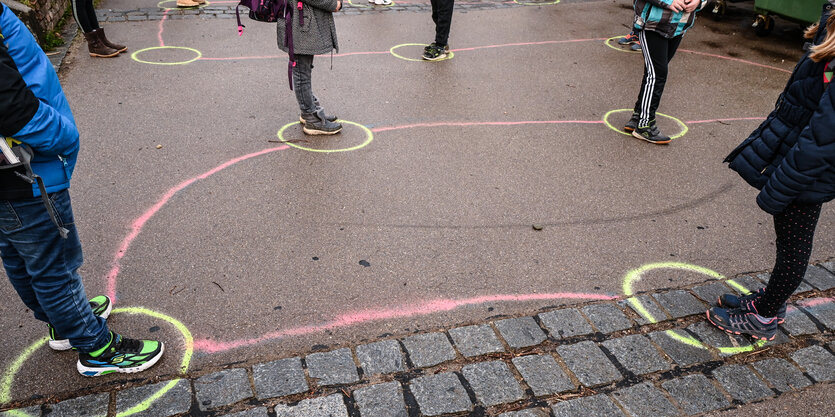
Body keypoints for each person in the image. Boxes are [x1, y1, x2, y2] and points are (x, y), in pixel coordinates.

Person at [1, 4, 164, 376]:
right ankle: (96, 347)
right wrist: (63, 136)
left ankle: (64, 322)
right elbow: (10, 106)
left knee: (21, 255)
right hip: (26, 170)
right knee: (53, 266)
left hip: (15, 170)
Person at [707, 2, 835, 341]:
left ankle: (765, 316)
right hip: (799, 154)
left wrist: (784, 183)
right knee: (789, 241)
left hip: (809, 168)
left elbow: (825, 138)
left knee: (794, 245)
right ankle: (771, 299)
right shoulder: (831, 25)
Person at [624, 0, 705, 144]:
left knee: (653, 73)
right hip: (652, 25)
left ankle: (638, 115)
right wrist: (668, 1)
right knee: (657, 74)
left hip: (678, 27)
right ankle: (645, 125)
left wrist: (699, 2)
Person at [278, 0, 343, 135]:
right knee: (302, 72)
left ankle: (309, 110)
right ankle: (311, 117)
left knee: (303, 69)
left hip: (300, 20)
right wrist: (333, 4)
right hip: (299, 23)